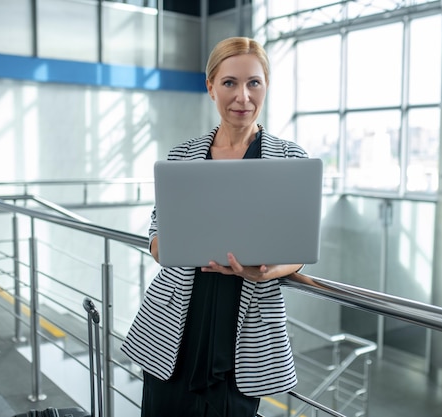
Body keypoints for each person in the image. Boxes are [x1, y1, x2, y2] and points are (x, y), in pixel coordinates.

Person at [121, 36, 310, 417]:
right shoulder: (182, 156)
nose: (243, 96)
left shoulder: (290, 158)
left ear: (266, 86)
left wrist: (266, 272)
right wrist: (165, 246)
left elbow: (300, 246)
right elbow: (157, 231)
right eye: (229, 83)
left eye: (254, 83)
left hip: (244, 327)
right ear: (210, 88)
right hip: (176, 321)